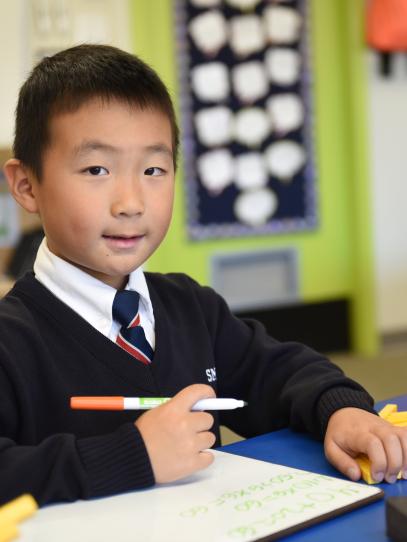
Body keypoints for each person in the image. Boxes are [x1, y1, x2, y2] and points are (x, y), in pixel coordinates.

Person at [1, 44, 405, 508]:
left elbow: (279, 371)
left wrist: (339, 410)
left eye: (154, 169)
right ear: (27, 187)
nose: (131, 202)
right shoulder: (12, 341)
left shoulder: (190, 307)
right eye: (97, 169)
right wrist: (132, 455)